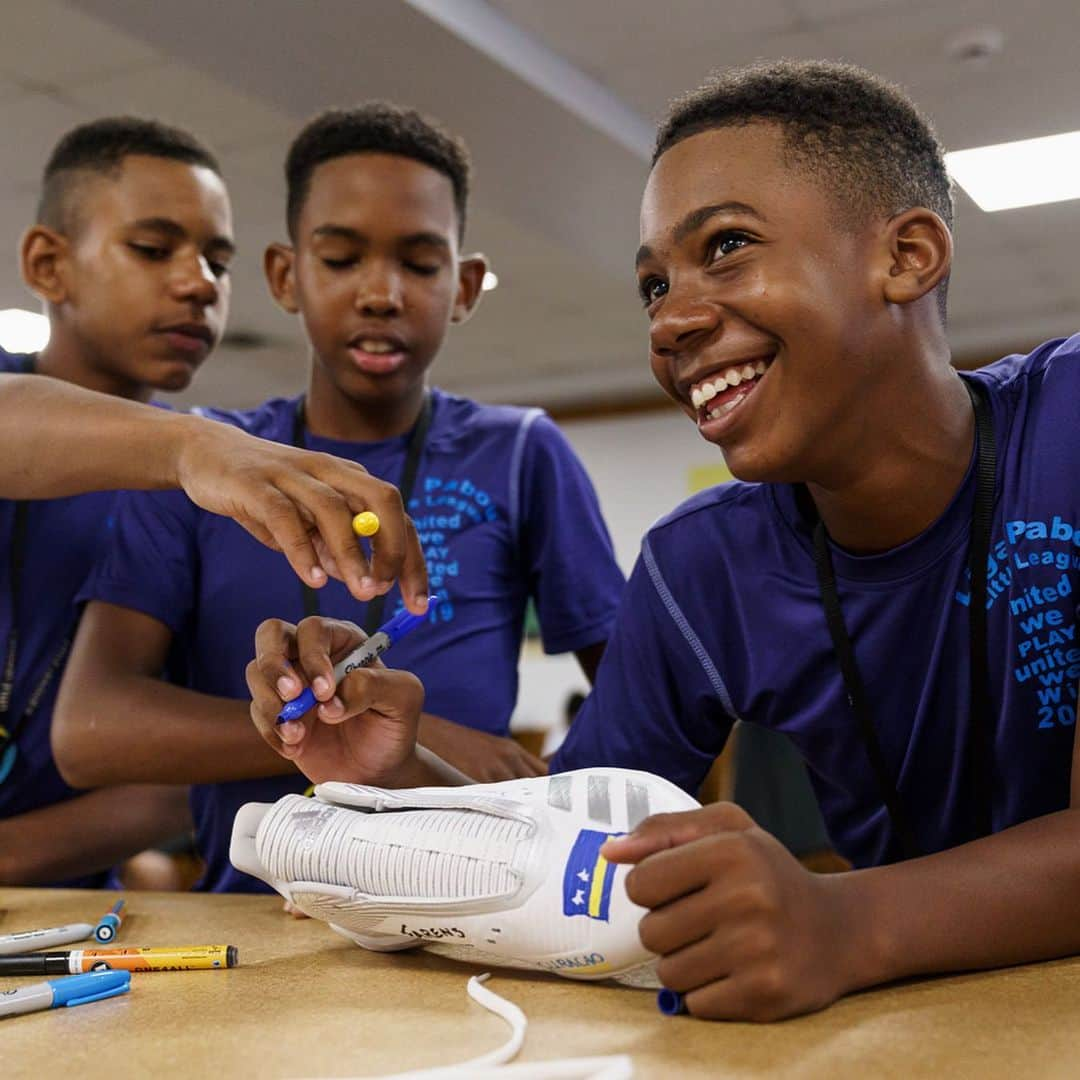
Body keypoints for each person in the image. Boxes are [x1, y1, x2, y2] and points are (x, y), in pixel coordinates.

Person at [243, 60, 1080, 1021]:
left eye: (726, 246)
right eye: (653, 286)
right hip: (930, 1017)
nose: (672, 321)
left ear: (907, 255)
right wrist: (398, 774)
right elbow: (567, 849)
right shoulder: (701, 568)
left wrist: (845, 922)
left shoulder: (1070, 429)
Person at [53, 104, 624, 893]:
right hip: (253, 929)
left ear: (463, 287)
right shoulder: (206, 463)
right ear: (287, 276)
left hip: (469, 913)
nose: (381, 293)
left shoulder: (522, 452)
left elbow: (642, 698)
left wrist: (564, 818)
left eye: (420, 265)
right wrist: (397, 736)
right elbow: (92, 732)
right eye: (342, 258)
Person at [0, 117, 425, 888]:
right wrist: (192, 447)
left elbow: (160, 786)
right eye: (154, 249)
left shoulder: (191, 499)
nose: (199, 283)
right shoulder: (201, 457)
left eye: (217, 261)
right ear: (47, 265)